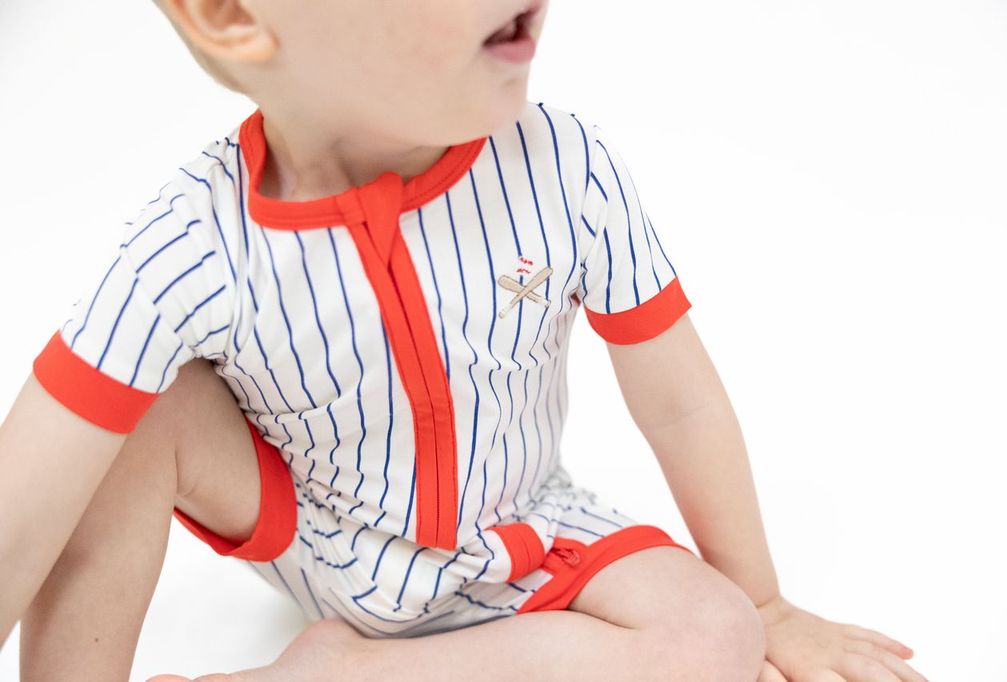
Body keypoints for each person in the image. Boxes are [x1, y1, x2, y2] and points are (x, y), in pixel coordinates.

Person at [0, 1, 928, 680]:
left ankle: (340, 676)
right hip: (313, 533)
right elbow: (24, 504)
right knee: (126, 409)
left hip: (515, 533)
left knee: (717, 638)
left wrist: (761, 600)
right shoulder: (194, 242)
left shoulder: (568, 170)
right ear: (233, 14)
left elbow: (680, 402)